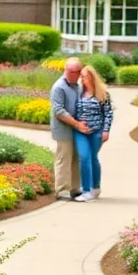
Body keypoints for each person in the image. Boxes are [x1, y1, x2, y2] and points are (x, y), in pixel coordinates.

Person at [49, 57, 89, 200]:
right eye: (73, 72)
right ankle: (61, 190)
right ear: (67, 71)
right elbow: (59, 111)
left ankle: (74, 188)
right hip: (63, 130)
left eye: (78, 72)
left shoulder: (75, 86)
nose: (76, 75)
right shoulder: (59, 87)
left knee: (76, 159)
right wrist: (77, 124)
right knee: (64, 159)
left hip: (75, 129)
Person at [72, 65, 113, 202]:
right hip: (81, 131)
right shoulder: (78, 92)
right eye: (81, 76)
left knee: (93, 157)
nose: (82, 79)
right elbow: (73, 110)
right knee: (84, 157)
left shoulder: (103, 93)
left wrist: (106, 130)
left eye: (85, 76)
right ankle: (86, 190)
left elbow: (108, 113)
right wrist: (77, 122)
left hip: (97, 132)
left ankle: (96, 188)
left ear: (92, 77)